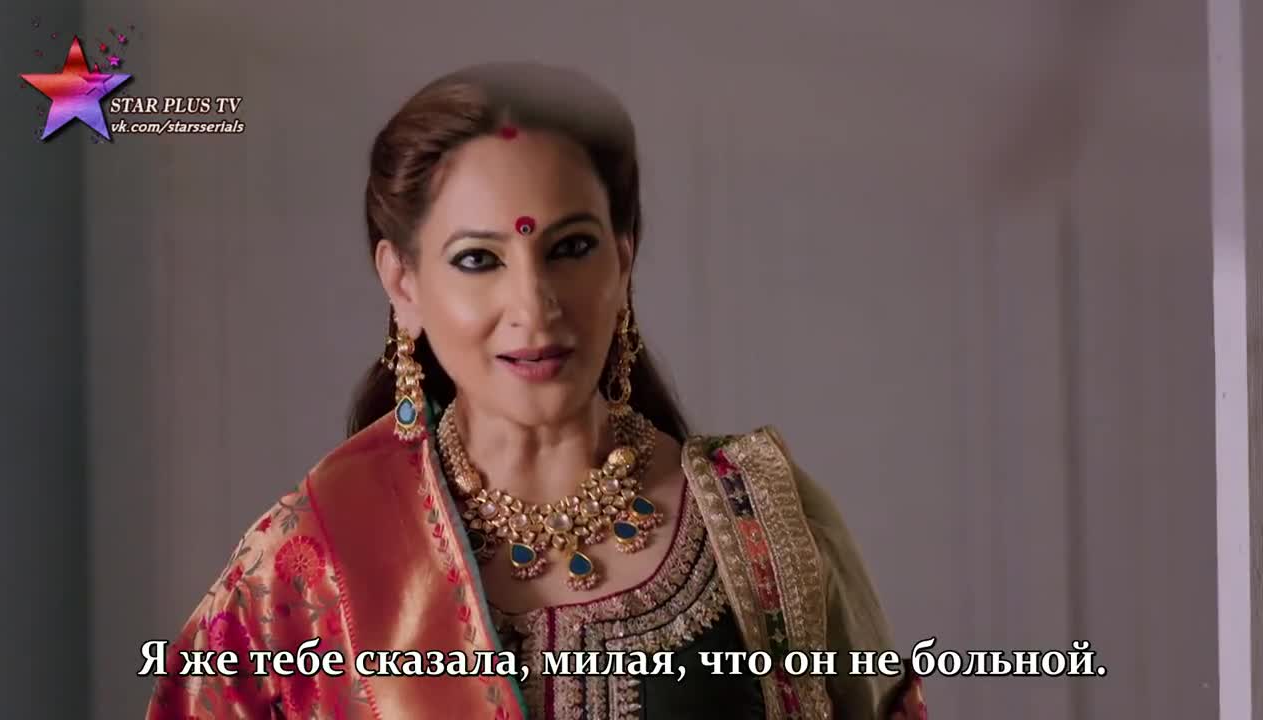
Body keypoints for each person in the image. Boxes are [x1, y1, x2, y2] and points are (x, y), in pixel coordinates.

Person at [145, 62, 927, 720]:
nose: (535, 306)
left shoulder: (769, 521)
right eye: (478, 260)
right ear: (403, 283)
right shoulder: (312, 565)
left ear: (624, 257)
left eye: (571, 247)